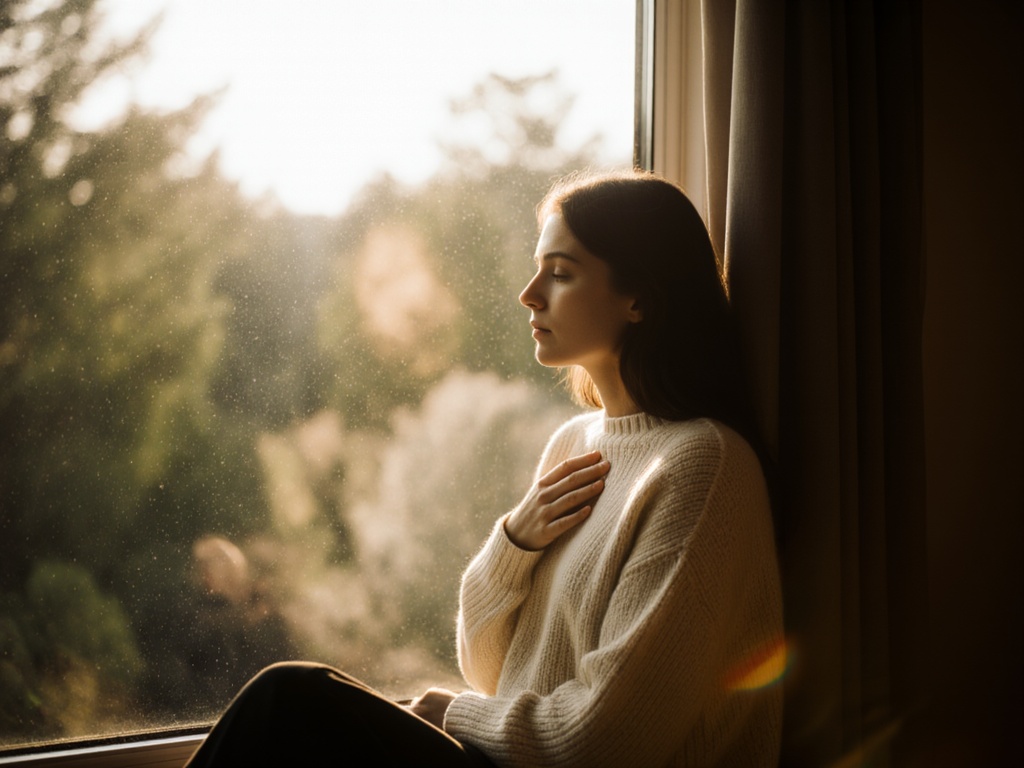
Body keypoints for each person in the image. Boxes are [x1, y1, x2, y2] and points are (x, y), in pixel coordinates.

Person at [184, 169, 783, 767]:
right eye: (536, 267)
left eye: (561, 273)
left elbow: (605, 741)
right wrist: (514, 545)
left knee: (291, 699)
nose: (530, 293)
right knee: (286, 712)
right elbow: (489, 667)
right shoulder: (575, 443)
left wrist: (454, 713)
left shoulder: (703, 464)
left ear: (639, 298)